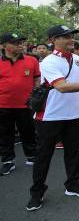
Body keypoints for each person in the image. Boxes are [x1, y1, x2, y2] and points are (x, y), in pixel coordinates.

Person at [27, 25, 79, 211]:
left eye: (71, 36)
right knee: (43, 156)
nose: (70, 39)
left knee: (73, 152)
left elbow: (77, 85)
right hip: (49, 116)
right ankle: (37, 193)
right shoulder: (48, 62)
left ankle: (73, 184)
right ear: (52, 41)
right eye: (65, 37)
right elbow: (62, 87)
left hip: (73, 115)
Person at [0, 33, 39, 176]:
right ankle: (8, 161)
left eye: (20, 42)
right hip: (3, 106)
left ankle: (32, 156)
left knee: (28, 131)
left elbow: (37, 79)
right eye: (15, 43)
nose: (20, 45)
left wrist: (35, 96)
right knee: (5, 134)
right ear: (4, 46)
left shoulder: (32, 61)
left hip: (25, 105)